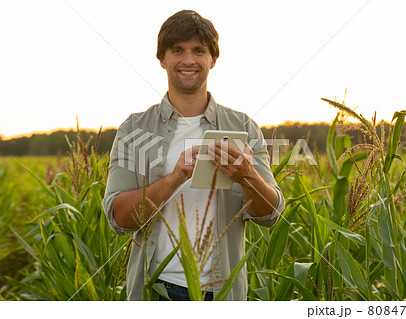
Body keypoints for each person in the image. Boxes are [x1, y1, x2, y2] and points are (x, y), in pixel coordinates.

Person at [102, 9, 285, 301]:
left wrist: (248, 176)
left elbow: (271, 215)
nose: (188, 60)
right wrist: (175, 178)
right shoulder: (134, 129)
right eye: (177, 50)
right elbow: (119, 218)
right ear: (162, 59)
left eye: (199, 50)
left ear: (213, 59)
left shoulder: (243, 127)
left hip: (223, 293)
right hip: (157, 289)